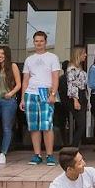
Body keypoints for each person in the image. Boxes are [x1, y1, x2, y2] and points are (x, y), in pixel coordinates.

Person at [21, 30, 62, 166]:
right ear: (33, 42)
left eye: (41, 41)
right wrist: (22, 98)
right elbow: (25, 80)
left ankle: (49, 155)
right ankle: (37, 154)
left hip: (46, 91)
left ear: (45, 42)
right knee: (34, 126)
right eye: (36, 41)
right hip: (30, 93)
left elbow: (55, 77)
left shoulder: (52, 57)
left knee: (47, 125)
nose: (39, 43)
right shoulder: (29, 59)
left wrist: (53, 94)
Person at [0, 46, 21, 165]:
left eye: (2, 53)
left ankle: (3, 153)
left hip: (8, 100)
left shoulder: (13, 66)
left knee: (6, 127)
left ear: (7, 55)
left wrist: (11, 93)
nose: (0, 55)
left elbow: (18, 84)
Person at [65, 47, 89, 149]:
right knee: (81, 124)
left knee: (81, 124)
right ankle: (73, 147)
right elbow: (72, 85)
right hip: (77, 95)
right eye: (84, 53)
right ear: (78, 54)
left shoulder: (79, 68)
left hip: (82, 95)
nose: (85, 55)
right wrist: (75, 100)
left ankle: (74, 146)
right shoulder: (72, 69)